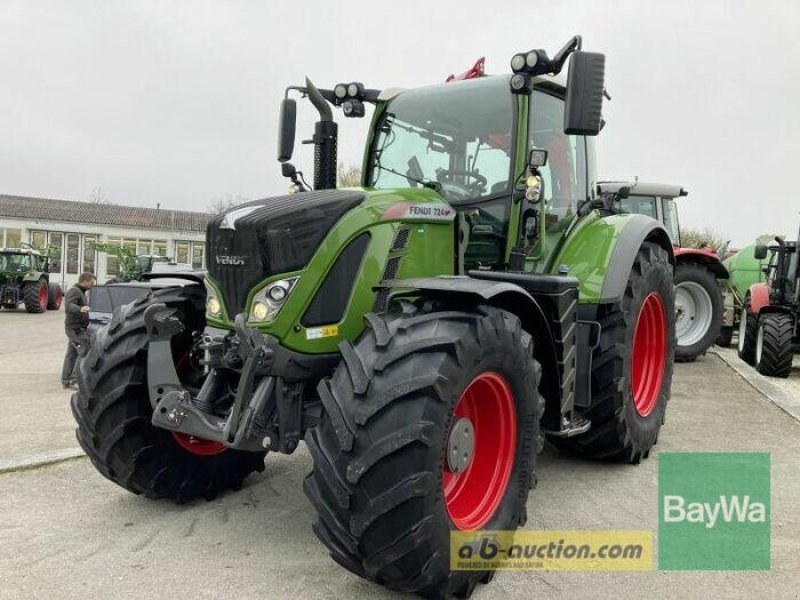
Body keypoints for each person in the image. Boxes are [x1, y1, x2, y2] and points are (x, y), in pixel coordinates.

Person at [61, 272, 96, 389]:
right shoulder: (74, 291)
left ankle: (65, 380)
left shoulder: (81, 292)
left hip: (75, 328)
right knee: (86, 346)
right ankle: (75, 379)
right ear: (85, 281)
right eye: (91, 282)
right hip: (74, 328)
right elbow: (69, 306)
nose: (92, 285)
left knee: (71, 354)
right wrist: (81, 308)